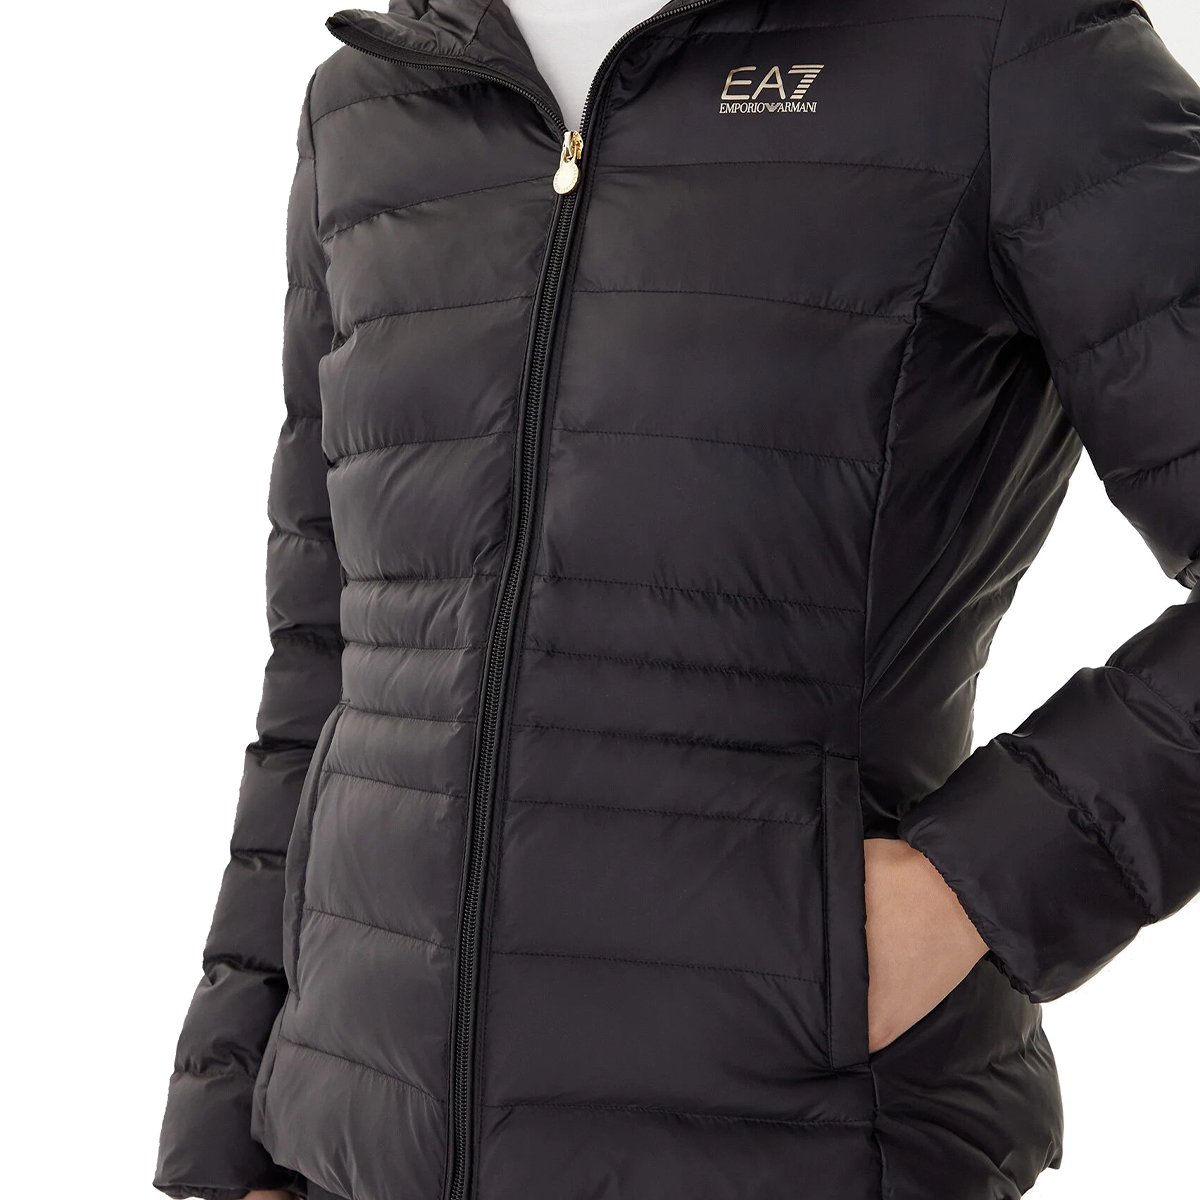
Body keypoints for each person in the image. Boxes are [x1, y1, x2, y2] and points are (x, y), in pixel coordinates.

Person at [154, 0, 1200, 1197]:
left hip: (788, 1141)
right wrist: (228, 1132)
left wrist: (979, 884)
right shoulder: (373, 100)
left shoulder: (997, 51)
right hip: (346, 1150)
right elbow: (323, 658)